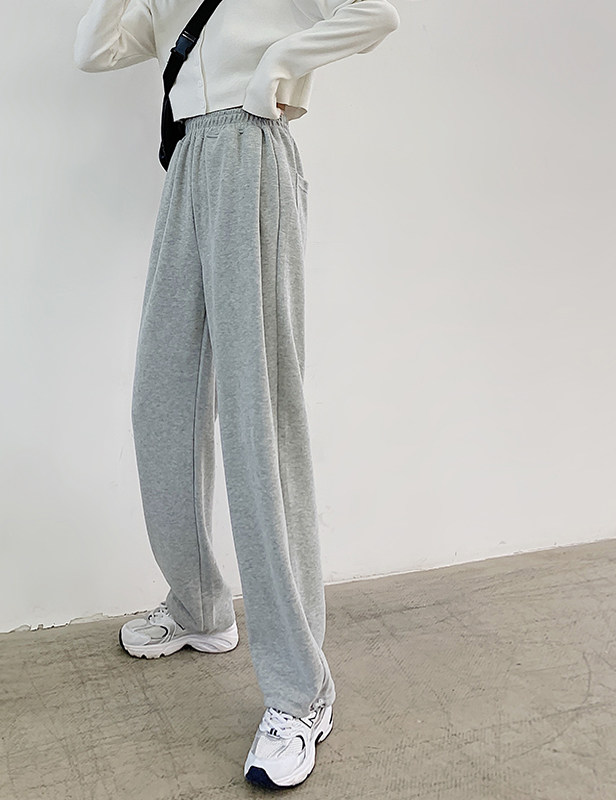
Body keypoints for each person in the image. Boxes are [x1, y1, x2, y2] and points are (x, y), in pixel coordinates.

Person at [74, 0, 399, 788]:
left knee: (258, 418)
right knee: (160, 399)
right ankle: (199, 607)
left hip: (253, 151)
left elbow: (377, 15)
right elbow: (95, 50)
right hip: (190, 160)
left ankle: (300, 693)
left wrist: (277, 67)